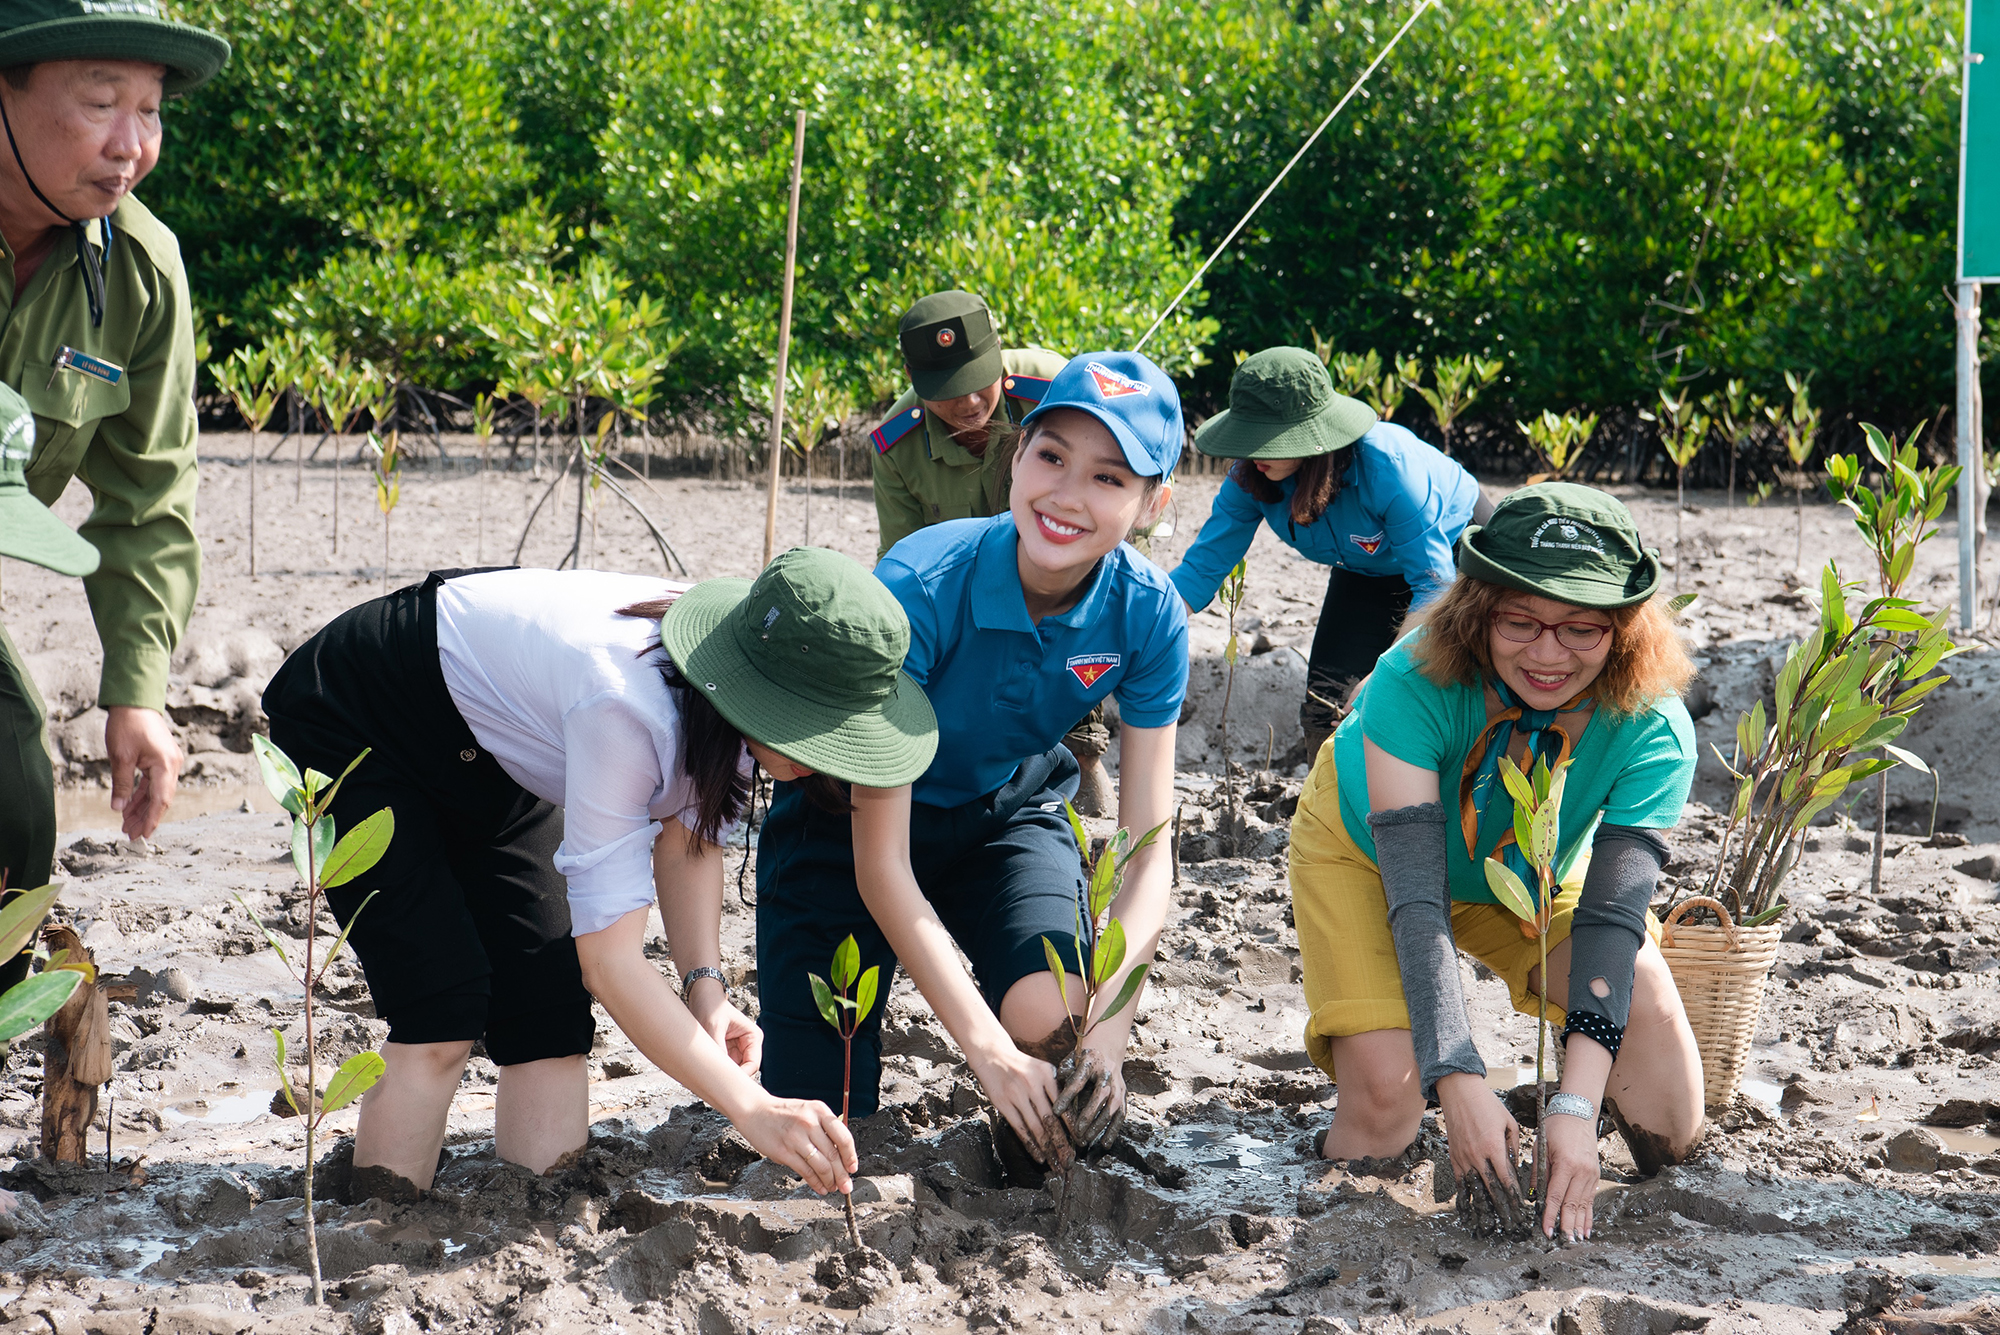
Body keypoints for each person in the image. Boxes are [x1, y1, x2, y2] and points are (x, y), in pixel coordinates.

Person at [261, 550, 937, 1198]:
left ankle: (528, 1214)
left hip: (494, 748)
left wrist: (706, 989)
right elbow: (611, 964)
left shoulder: (746, 679)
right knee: (441, 1010)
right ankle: (377, 1238)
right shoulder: (625, 705)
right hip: (360, 711)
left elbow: (689, 838)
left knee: (549, 1009)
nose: (826, 760)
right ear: (768, 699)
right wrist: (751, 1108)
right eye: (820, 733)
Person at [760, 350, 1187, 1167]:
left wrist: (1109, 1031)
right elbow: (883, 865)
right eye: (1052, 456)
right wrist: (985, 1052)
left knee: (1058, 1032)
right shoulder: (922, 585)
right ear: (1016, 455)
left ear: (1153, 501)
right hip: (848, 823)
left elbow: (1146, 850)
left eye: (1108, 478)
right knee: (824, 1121)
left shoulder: (1150, 614)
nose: (1065, 495)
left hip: (1003, 813)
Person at [1288, 483, 1704, 1243]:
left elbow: (1614, 919)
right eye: (1521, 622)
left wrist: (1576, 1107)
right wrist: (1459, 1077)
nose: (1548, 655)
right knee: (1389, 1100)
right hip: (1369, 856)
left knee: (1672, 1119)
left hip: (1525, 868)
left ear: (1625, 628)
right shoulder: (1411, 679)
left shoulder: (1655, 728)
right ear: (1478, 611)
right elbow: (1416, 900)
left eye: (1582, 629)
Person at [0, 0, 230, 897]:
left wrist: (137, 688)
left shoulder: (139, 269)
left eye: (153, 109)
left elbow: (149, 496)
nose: (133, 143)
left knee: (18, 795)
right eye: (102, 103)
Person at [866, 291, 1125, 815]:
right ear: (917, 384)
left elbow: (1115, 491)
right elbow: (906, 565)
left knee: (1071, 642)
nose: (967, 405)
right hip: (966, 586)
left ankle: (1085, 750)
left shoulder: (1058, 388)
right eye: (947, 392)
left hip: (1068, 559)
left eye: (978, 383)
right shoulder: (896, 444)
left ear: (999, 359)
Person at [1169, 348, 1489, 761]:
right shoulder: (1251, 475)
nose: (1252, 452)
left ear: (1311, 435)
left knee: (1447, 686)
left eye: (1266, 441)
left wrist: (1385, 674)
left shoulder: (1388, 468)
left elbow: (1432, 586)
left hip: (1455, 551)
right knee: (1328, 709)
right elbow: (1201, 568)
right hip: (1367, 567)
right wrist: (1144, 629)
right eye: (1246, 437)